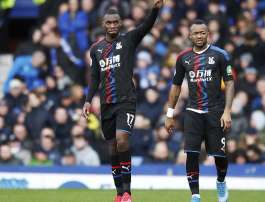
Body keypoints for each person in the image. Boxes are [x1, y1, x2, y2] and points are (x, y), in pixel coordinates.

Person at [82, 1, 163, 202]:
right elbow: (94, 77)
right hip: (106, 103)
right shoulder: (96, 49)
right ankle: (119, 193)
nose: (112, 25)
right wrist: (87, 100)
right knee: (112, 148)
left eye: (115, 22)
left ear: (120, 23)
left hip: (126, 101)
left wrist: (155, 9)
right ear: (103, 24)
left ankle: (127, 191)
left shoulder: (128, 40)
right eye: (109, 22)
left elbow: (146, 26)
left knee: (122, 140)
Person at [165, 20, 235, 202]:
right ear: (190, 36)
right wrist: (169, 114)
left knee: (220, 154)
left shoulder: (220, 55)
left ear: (207, 34)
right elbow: (176, 87)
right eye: (196, 33)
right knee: (191, 153)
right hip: (193, 112)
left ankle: (221, 181)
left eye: (202, 33)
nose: (199, 36)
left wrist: (227, 111)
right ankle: (195, 195)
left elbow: (229, 83)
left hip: (215, 112)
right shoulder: (183, 58)